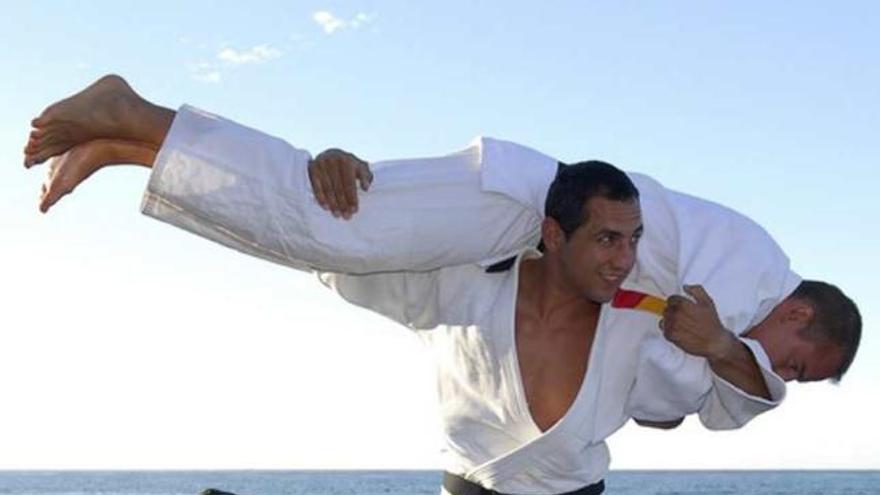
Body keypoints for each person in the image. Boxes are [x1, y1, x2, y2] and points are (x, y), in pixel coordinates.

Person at [24, 75, 861, 494]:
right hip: (526, 198)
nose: (786, 374)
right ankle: (132, 115)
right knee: (332, 222)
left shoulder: (711, 327)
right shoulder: (751, 262)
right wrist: (713, 347)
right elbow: (697, 362)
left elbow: (706, 397)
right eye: (801, 361)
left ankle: (130, 145)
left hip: (536, 262)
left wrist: (716, 352)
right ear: (800, 311)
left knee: (333, 240)